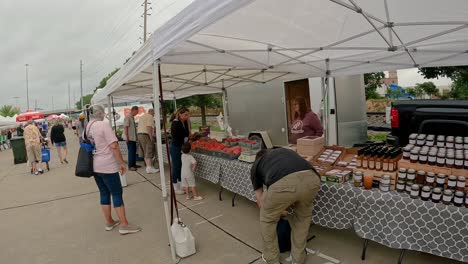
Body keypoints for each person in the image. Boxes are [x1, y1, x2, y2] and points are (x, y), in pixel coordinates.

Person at [251, 148, 321, 264]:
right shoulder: (283, 152)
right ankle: (298, 259)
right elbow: (297, 186)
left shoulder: (256, 165)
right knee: (302, 219)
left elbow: (261, 203)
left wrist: (278, 212)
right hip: (312, 179)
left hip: (283, 184)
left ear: (257, 159)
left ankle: (271, 259)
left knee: (267, 220)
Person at [85, 104, 141, 235]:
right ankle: (124, 224)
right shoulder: (103, 124)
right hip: (107, 165)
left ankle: (109, 221)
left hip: (94, 165)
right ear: (100, 113)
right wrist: (121, 163)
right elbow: (114, 145)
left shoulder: (88, 126)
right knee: (116, 193)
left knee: (104, 193)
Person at [170, 107, 191, 195]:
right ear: (180, 114)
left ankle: (181, 184)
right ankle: (175, 187)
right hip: (176, 147)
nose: (187, 116)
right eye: (186, 115)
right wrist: (183, 147)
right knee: (176, 167)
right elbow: (178, 137)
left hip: (182, 146)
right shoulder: (175, 123)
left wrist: (188, 123)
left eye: (188, 115)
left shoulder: (185, 122)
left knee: (181, 167)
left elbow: (187, 134)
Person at [137, 109, 159, 174]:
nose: (154, 115)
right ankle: (149, 167)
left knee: (144, 151)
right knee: (148, 150)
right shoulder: (150, 116)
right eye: (154, 113)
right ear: (152, 112)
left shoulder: (142, 116)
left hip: (140, 134)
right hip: (145, 135)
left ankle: (148, 167)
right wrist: (151, 136)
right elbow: (149, 127)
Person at [124, 106, 140, 171]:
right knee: (131, 152)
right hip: (130, 137)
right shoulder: (128, 117)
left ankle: (133, 164)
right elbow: (126, 127)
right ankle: (130, 166)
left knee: (133, 152)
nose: (137, 113)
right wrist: (127, 137)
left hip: (132, 137)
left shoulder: (131, 117)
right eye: (137, 111)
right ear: (133, 110)